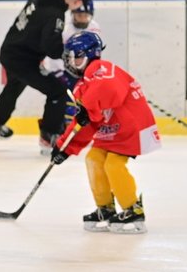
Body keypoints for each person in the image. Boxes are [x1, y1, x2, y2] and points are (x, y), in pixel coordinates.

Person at [50, 31, 161, 234]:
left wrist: (88, 109)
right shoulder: (82, 85)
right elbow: (87, 122)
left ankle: (133, 209)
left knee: (113, 164)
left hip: (132, 127)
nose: (72, 63)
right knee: (93, 158)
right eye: (71, 58)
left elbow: (110, 91)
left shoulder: (103, 69)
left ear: (90, 55)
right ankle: (105, 208)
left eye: (77, 57)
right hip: (112, 130)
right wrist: (65, 147)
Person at [0, 0, 94, 154]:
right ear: (77, 1)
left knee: (15, 83)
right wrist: (70, 54)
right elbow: (51, 47)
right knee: (57, 91)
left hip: (11, 49)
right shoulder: (56, 14)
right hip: (22, 58)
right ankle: (49, 135)